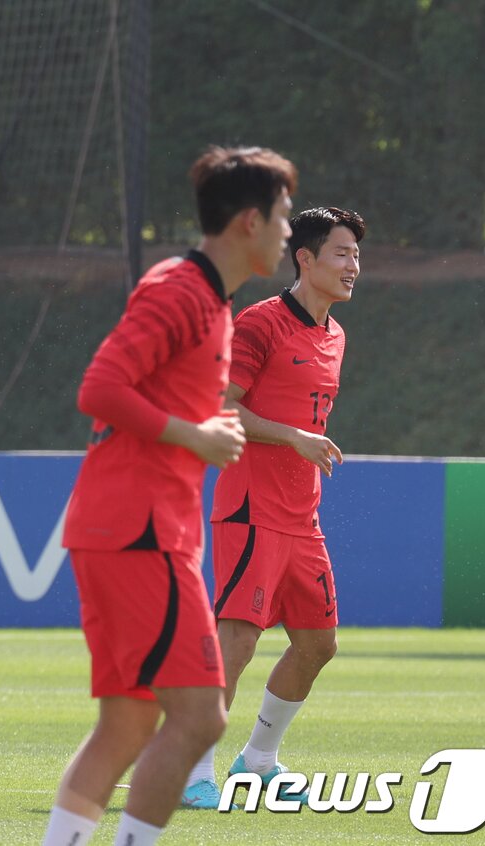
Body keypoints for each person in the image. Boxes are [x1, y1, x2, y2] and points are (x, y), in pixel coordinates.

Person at [42, 145, 297, 846]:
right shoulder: (180, 291)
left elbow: (145, 394)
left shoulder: (209, 299)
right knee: (201, 719)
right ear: (249, 221)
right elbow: (98, 390)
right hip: (139, 531)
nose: (287, 232)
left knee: (127, 723)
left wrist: (196, 427)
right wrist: (193, 435)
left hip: (137, 529)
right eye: (281, 218)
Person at [180, 207, 364, 810]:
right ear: (305, 259)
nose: (352, 266)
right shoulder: (260, 324)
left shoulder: (335, 336)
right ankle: (191, 772)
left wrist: (299, 442)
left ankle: (258, 760)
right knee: (236, 640)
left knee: (318, 645)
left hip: (301, 516)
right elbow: (221, 408)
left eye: (357, 256)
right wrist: (291, 436)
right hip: (250, 508)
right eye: (341, 253)